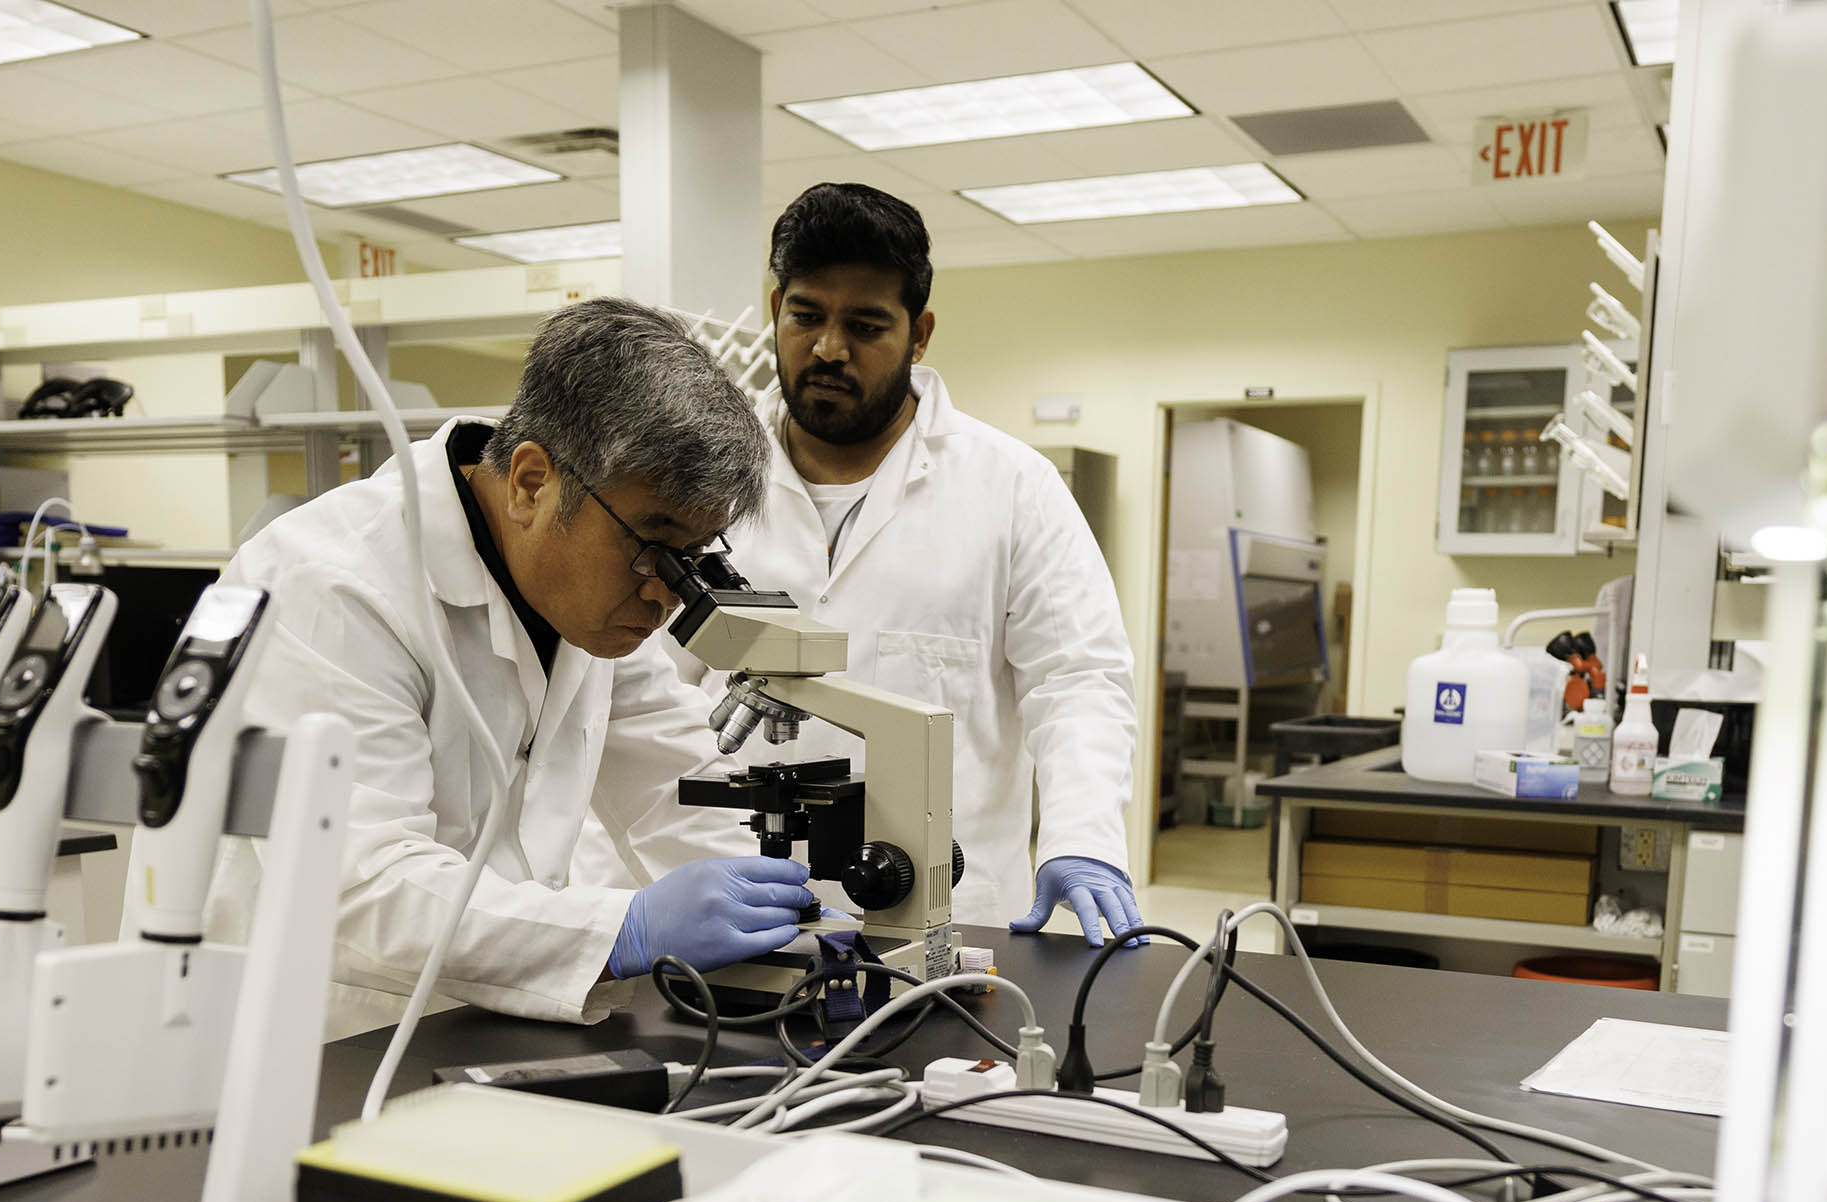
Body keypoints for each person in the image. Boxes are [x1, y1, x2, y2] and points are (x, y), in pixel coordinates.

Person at [201, 298, 813, 1033]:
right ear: (530, 483)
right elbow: (359, 880)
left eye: (694, 557)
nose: (668, 594)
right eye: (655, 545)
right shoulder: (330, 586)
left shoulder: (592, 591)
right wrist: (623, 930)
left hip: (487, 1017)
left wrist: (793, 912)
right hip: (323, 1033)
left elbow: (668, 782)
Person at [685, 182, 1145, 946]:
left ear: (920, 333)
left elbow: (1079, 680)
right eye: (807, 317)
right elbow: (631, 692)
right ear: (775, 311)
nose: (830, 348)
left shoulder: (1012, 486)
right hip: (730, 911)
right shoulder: (697, 478)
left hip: (947, 921)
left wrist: (1084, 835)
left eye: (865, 326)